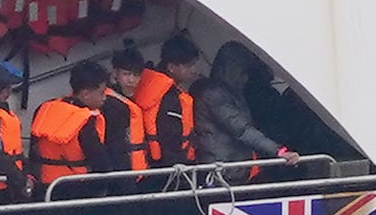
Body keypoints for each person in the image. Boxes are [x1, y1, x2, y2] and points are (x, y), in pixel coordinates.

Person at [191, 42, 301, 180]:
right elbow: (241, 129)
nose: (246, 78)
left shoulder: (231, 92)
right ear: (233, 70)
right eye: (244, 72)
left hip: (231, 168)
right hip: (221, 171)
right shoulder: (214, 94)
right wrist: (278, 150)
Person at [30, 60, 114, 195]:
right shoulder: (85, 121)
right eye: (102, 92)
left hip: (46, 189)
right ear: (85, 94)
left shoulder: (43, 109)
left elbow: (33, 153)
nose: (105, 97)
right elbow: (101, 163)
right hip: (79, 190)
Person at [135, 33, 199, 168]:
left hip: (151, 163)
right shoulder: (170, 97)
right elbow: (170, 136)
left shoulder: (149, 83)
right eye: (188, 66)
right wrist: (178, 166)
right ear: (171, 67)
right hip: (171, 167)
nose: (194, 70)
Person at [0, 60, 32, 202]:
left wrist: (26, 174)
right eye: (5, 88)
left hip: (9, 184)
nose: (8, 92)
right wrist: (19, 179)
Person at [101, 45, 150, 184]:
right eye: (126, 74)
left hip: (137, 173)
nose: (131, 80)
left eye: (136, 75)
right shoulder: (110, 103)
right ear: (115, 73)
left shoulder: (132, 101)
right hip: (120, 174)